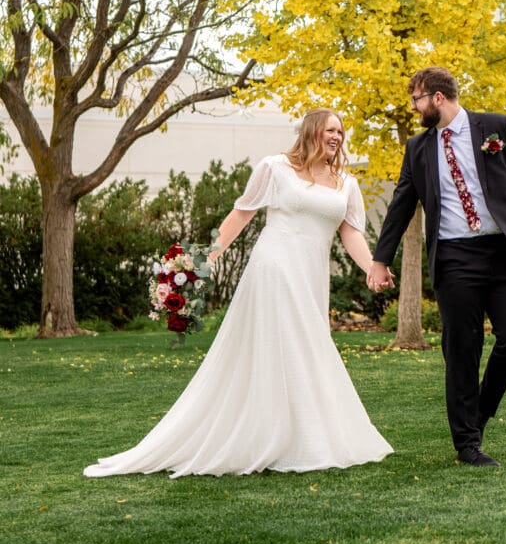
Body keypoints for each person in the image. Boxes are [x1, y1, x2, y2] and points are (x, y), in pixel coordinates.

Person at [84, 110, 393, 478]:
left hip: (311, 275)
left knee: (307, 345)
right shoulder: (275, 167)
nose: (337, 137)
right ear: (312, 131)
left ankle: (303, 436)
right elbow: (241, 214)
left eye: (341, 131)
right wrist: (207, 258)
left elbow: (350, 232)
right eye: (331, 130)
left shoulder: (346, 183)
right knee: (286, 343)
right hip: (274, 266)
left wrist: (371, 267)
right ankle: (273, 436)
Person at [367, 67, 506, 469]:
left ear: (436, 97)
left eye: (416, 99)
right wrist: (380, 259)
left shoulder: (496, 127)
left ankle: (480, 411)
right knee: (462, 350)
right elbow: (402, 204)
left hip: (504, 250)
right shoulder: (417, 148)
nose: (413, 108)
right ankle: (467, 443)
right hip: (454, 257)